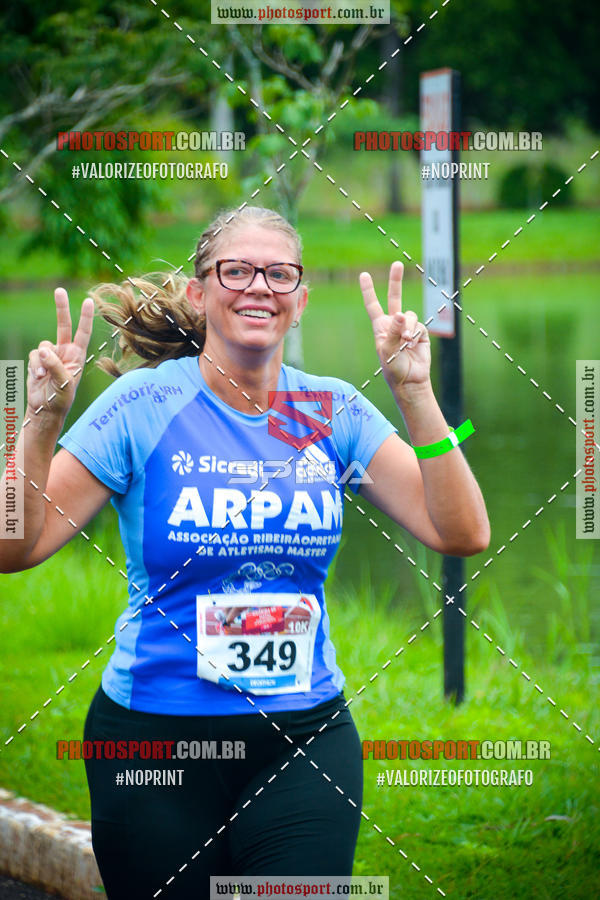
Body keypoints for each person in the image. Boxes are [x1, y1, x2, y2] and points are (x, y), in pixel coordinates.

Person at [1, 206, 489, 898]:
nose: (259, 285)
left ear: (300, 301)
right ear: (201, 293)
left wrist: (415, 392)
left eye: (279, 273)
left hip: (304, 736)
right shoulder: (142, 405)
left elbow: (462, 532)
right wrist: (40, 423)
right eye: (237, 270)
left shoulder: (330, 410)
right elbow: (13, 548)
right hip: (154, 741)